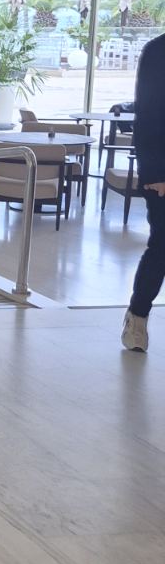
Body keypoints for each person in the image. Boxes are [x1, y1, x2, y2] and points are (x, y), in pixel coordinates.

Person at [123, 33, 165, 351]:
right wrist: (154, 173)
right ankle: (137, 316)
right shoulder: (158, 51)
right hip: (162, 175)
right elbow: (148, 115)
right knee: (162, 248)